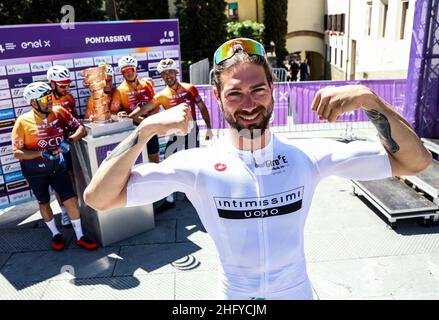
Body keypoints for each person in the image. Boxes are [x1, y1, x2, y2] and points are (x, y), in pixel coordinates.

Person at [83, 38, 431, 299]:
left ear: (273, 90)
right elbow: (100, 198)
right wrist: (144, 131)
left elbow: (415, 162)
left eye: (258, 90)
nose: (248, 104)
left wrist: (370, 100)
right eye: (235, 94)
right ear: (217, 97)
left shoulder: (308, 155)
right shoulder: (196, 166)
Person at [12, 82, 97, 251]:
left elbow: (81, 128)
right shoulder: (22, 122)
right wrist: (40, 154)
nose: (49, 101)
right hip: (35, 172)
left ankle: (80, 236)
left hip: (58, 167)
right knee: (43, 203)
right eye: (45, 99)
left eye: (49, 97)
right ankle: (55, 234)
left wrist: (70, 140)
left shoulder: (59, 111)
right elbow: (17, 152)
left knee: (71, 200)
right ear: (33, 102)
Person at [130, 58, 213, 212]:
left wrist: (209, 128)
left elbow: (202, 108)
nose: (168, 76)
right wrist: (129, 116)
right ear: (161, 76)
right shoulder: (162, 95)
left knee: (192, 163)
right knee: (168, 164)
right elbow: (142, 110)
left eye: (170, 72)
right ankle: (170, 199)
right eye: (164, 74)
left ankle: (193, 194)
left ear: (176, 72)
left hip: (191, 129)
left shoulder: (190, 88)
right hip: (174, 132)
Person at [110, 55, 160, 164]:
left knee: (154, 159)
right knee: (138, 161)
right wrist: (118, 115)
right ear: (122, 73)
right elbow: (112, 113)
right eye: (125, 70)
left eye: (131, 69)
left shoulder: (146, 84)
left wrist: (150, 119)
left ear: (136, 69)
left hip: (150, 127)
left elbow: (156, 105)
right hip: (134, 130)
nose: (129, 72)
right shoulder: (119, 91)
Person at [47, 65, 78, 226]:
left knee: (72, 176)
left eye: (68, 85)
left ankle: (74, 207)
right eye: (62, 85)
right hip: (55, 146)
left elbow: (74, 120)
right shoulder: (45, 101)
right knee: (59, 180)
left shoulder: (70, 97)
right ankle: (64, 211)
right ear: (52, 84)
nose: (66, 88)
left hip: (68, 143)